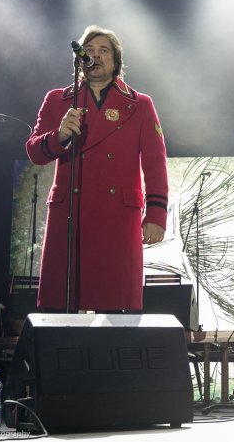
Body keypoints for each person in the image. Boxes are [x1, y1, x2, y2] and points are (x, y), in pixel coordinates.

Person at [25, 25, 169, 313]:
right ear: (79, 60)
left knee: (116, 310)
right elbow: (33, 152)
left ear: (116, 61)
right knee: (62, 307)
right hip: (70, 215)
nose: (95, 56)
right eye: (88, 51)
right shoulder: (57, 100)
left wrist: (156, 214)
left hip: (118, 215)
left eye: (103, 50)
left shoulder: (140, 104)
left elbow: (155, 163)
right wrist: (59, 136)